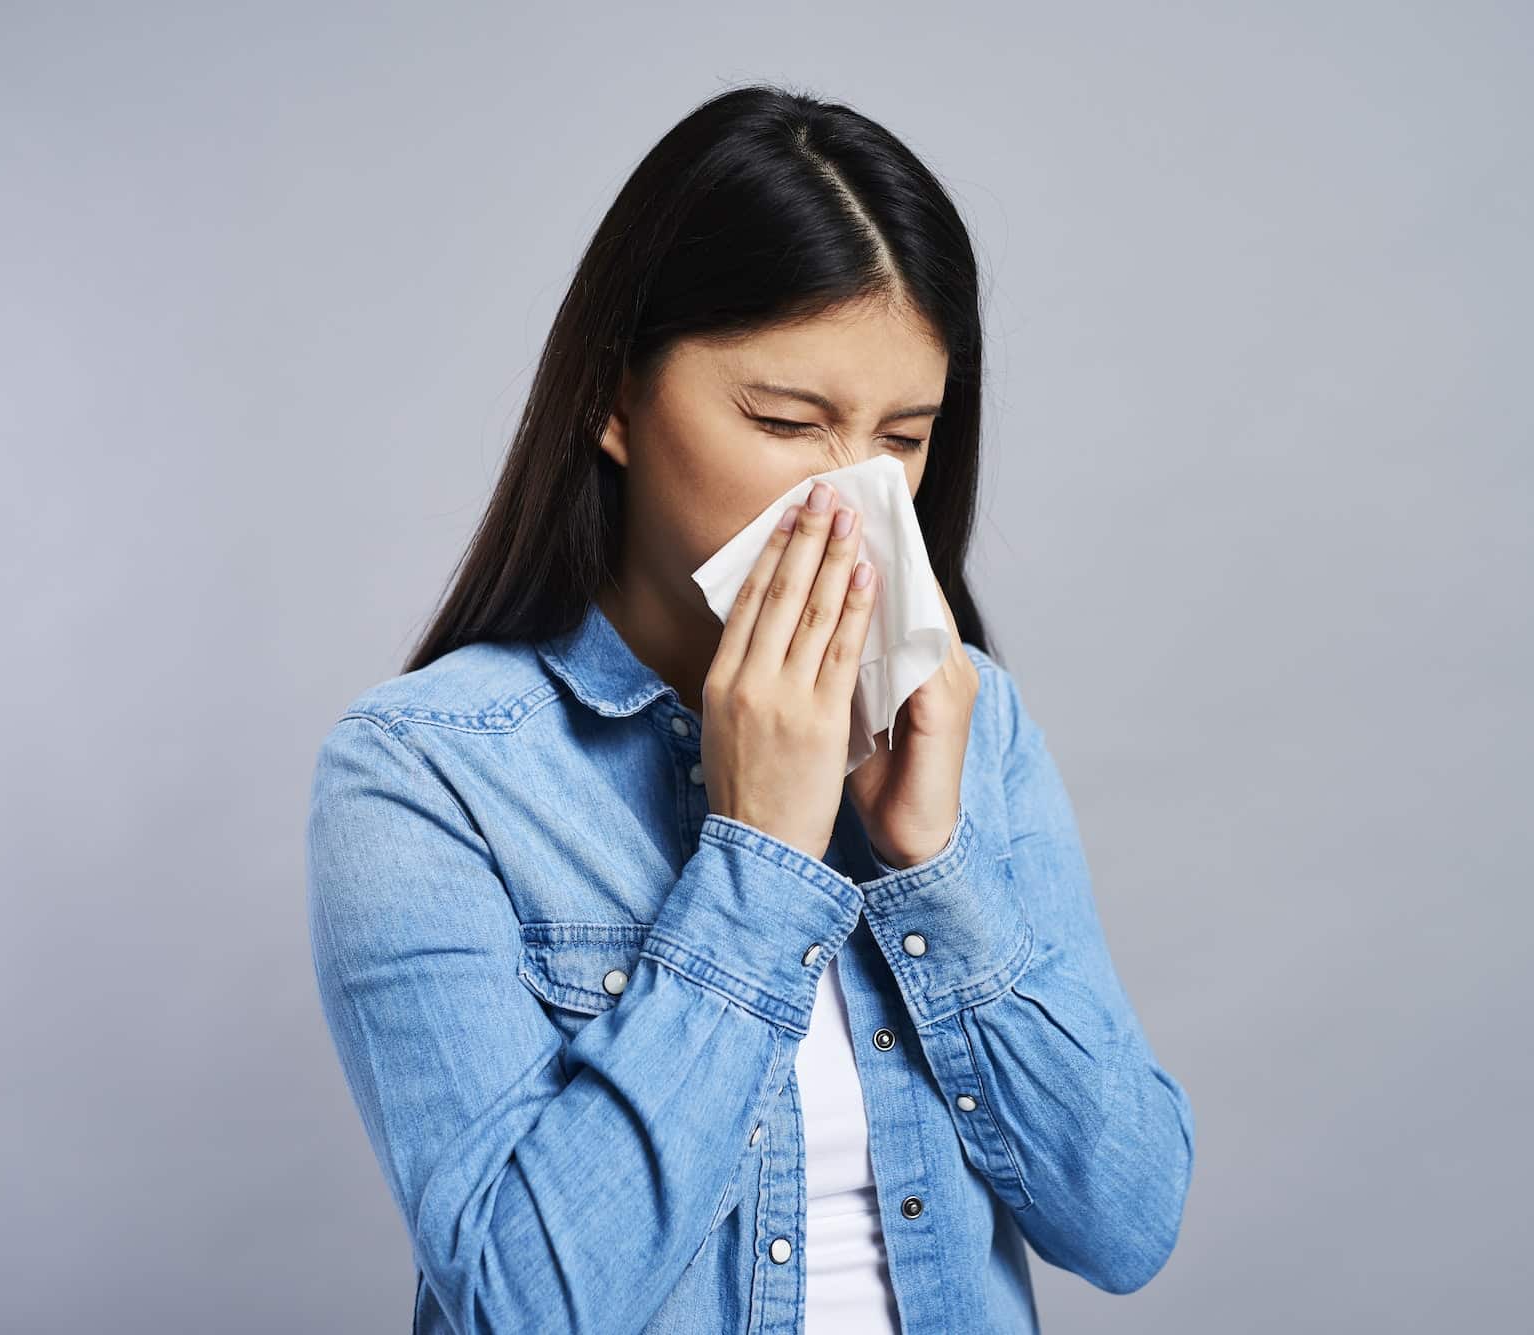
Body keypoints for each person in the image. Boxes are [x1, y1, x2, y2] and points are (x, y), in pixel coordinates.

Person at [304, 82, 1195, 1335]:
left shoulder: (967, 725)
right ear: (614, 403)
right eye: (785, 422)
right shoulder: (427, 774)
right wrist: (763, 861)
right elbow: (526, 1305)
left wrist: (928, 862)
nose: (850, 500)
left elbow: (1126, 1221)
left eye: (902, 439)